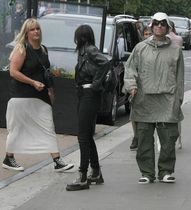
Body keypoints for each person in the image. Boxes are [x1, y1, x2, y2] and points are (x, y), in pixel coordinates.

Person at [2, 18, 73, 173]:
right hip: (21, 96)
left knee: (48, 126)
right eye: (32, 29)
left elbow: (45, 73)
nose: (36, 32)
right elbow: (13, 72)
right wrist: (32, 82)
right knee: (17, 128)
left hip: (41, 97)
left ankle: (57, 160)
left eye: (37, 29)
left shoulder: (43, 49)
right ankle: (8, 158)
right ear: (26, 32)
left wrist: (51, 91)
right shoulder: (22, 48)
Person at [124, 12, 184, 184]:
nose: (159, 26)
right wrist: (131, 86)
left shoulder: (176, 50)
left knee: (168, 139)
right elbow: (130, 70)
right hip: (144, 100)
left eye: (163, 23)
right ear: (151, 26)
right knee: (143, 138)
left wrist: (178, 99)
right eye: (156, 23)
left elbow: (179, 78)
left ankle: (165, 171)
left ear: (168, 27)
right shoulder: (140, 48)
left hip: (168, 99)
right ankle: (147, 172)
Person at [66, 25, 110, 191]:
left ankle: (83, 176)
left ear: (80, 37)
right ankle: (96, 172)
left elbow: (105, 62)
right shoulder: (85, 51)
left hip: (89, 94)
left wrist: (96, 84)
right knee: (87, 135)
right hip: (86, 94)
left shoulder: (89, 50)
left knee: (83, 136)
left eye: (78, 36)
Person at [128, 26, 153, 151]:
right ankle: (136, 136)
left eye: (149, 33)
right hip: (138, 85)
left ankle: (145, 137)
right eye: (146, 33)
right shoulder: (138, 48)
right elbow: (130, 67)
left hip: (151, 88)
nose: (147, 36)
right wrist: (132, 84)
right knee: (134, 114)